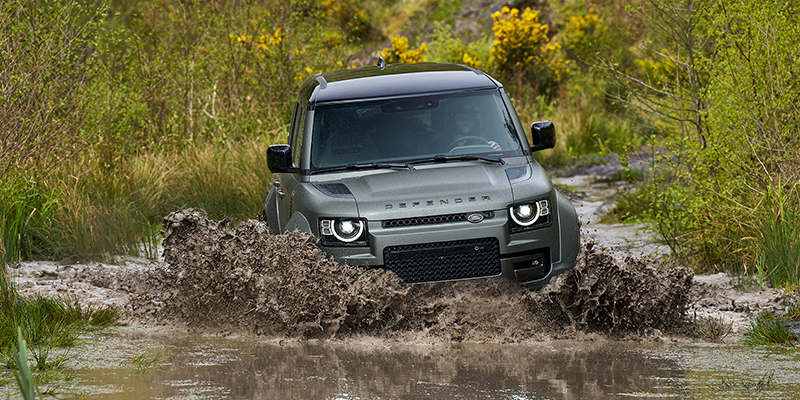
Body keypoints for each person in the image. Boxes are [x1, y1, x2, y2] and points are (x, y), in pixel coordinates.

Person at [436, 103, 501, 152]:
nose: (466, 121)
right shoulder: (442, 143)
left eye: (470, 118)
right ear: (454, 120)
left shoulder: (484, 141)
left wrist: (497, 150)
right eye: (461, 117)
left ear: (475, 121)